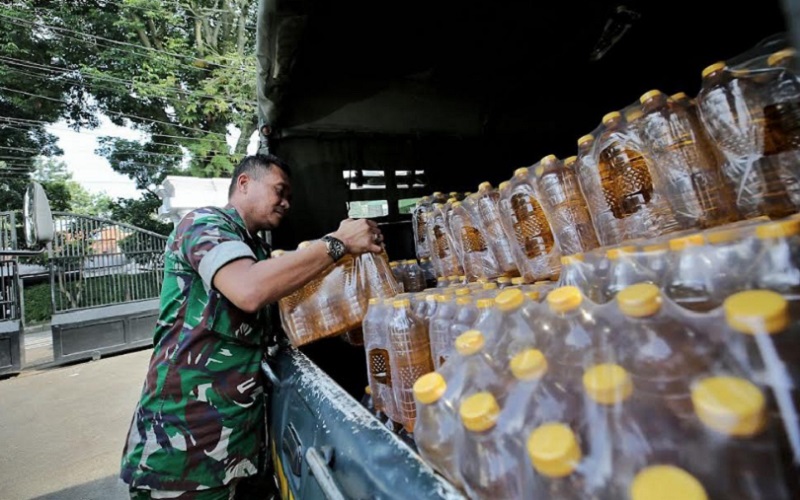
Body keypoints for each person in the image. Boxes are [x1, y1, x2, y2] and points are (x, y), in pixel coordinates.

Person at [120, 154, 383, 499]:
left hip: (237, 449)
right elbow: (249, 290)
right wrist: (338, 243)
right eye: (279, 191)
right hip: (184, 455)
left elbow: (284, 316)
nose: (286, 202)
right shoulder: (203, 224)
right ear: (244, 183)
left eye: (289, 195)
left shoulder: (255, 249)